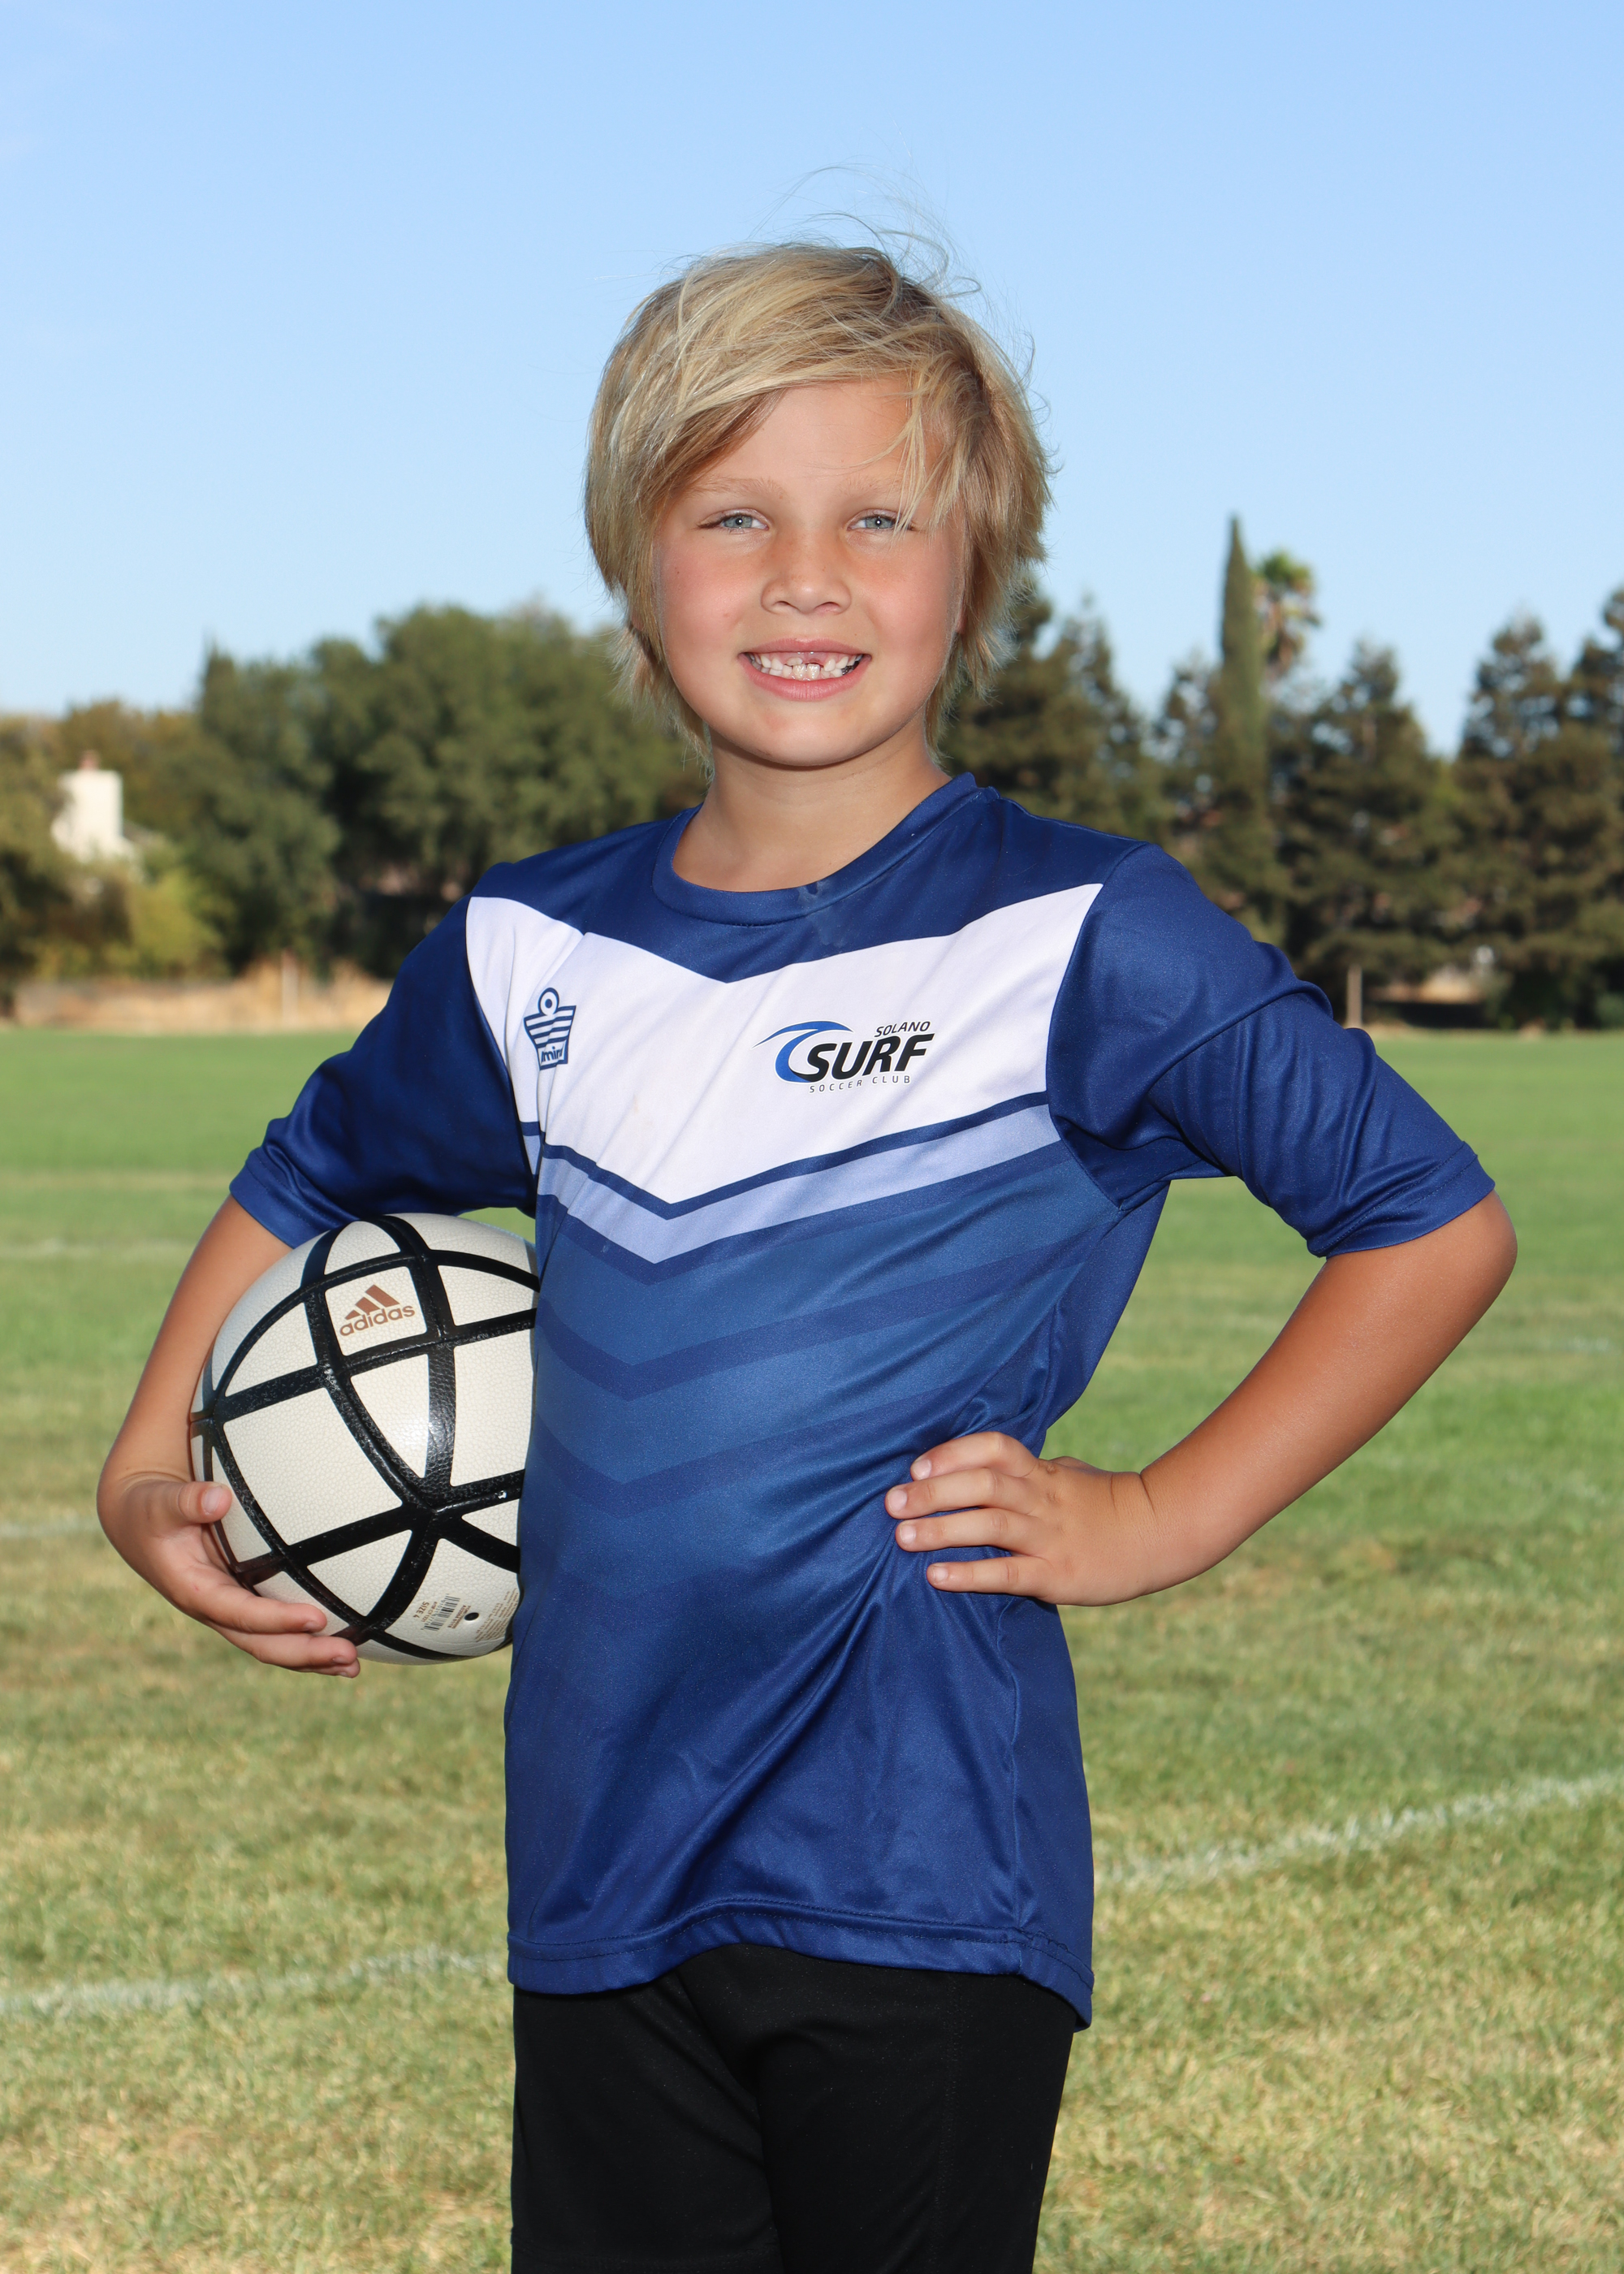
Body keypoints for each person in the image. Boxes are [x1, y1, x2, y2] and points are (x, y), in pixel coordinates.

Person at [99, 244, 1517, 2274]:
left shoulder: (1080, 931)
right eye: (732, 516)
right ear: (634, 559)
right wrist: (145, 1457)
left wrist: (1159, 1513)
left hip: (919, 1861)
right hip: (598, 1857)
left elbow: (1427, 1217)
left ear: (974, 568)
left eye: (878, 519)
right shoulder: (530, 950)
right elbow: (313, 1160)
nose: (804, 579)